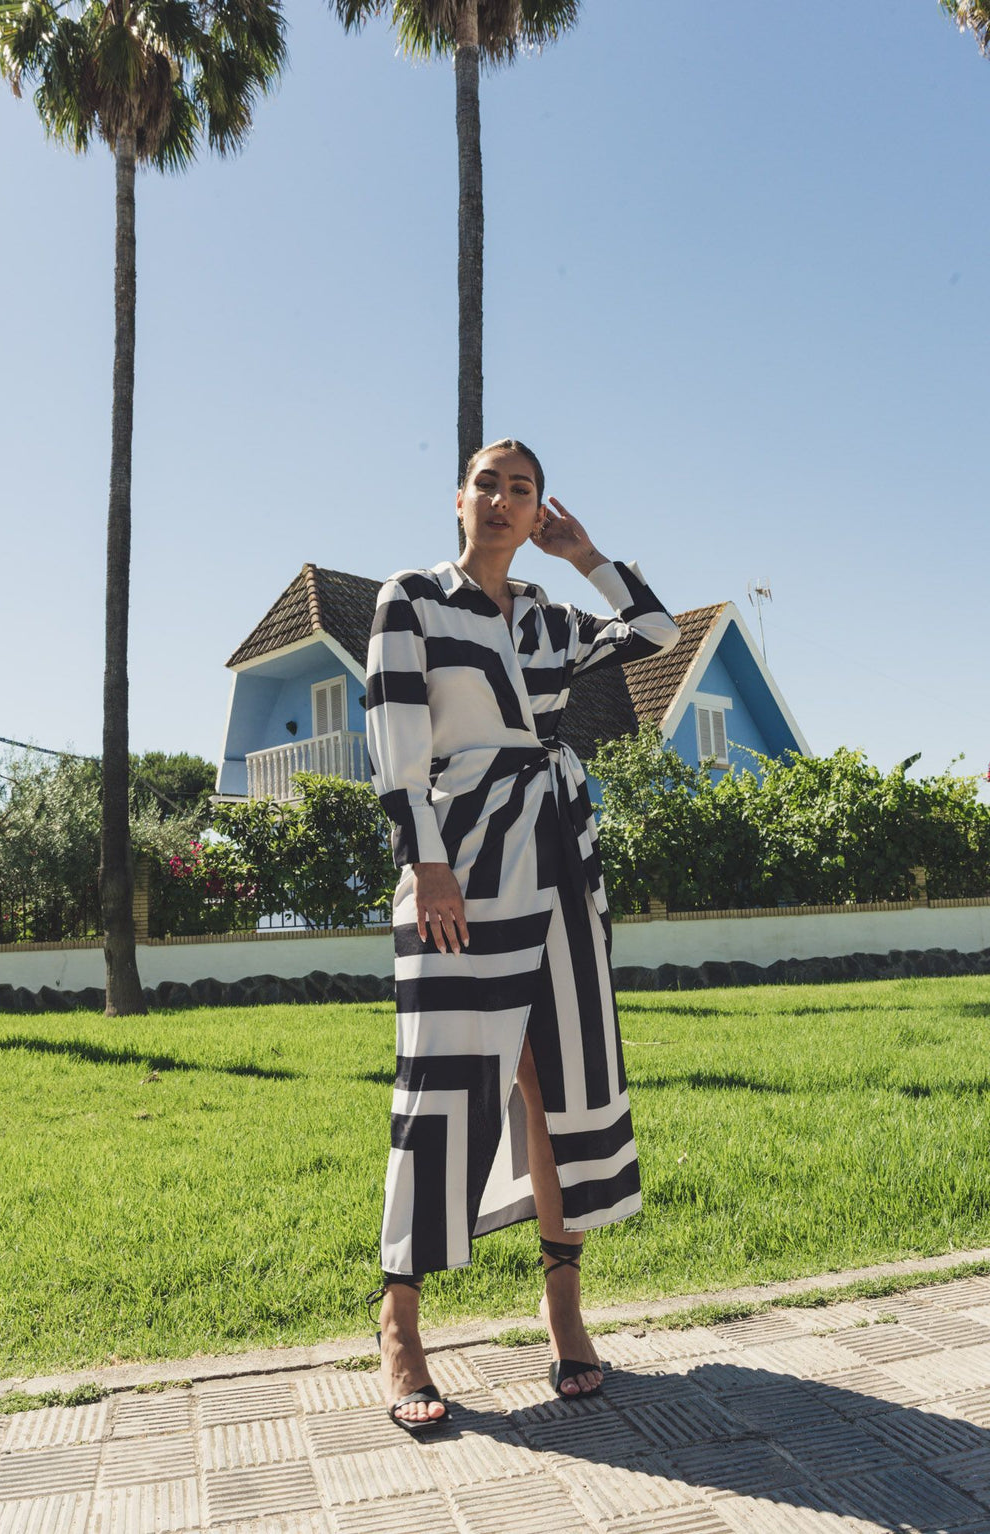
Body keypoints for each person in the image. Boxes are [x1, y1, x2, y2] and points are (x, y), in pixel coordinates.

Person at [365, 439, 681, 1432]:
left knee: (554, 1077)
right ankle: (400, 1323)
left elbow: (658, 631)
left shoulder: (553, 616)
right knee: (442, 1079)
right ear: (457, 498)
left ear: (538, 507)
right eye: (489, 483)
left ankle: (563, 1306)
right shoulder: (411, 598)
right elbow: (394, 735)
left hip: (561, 857)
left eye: (523, 489)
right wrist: (425, 862)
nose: (504, 500)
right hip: (459, 859)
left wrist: (585, 554)